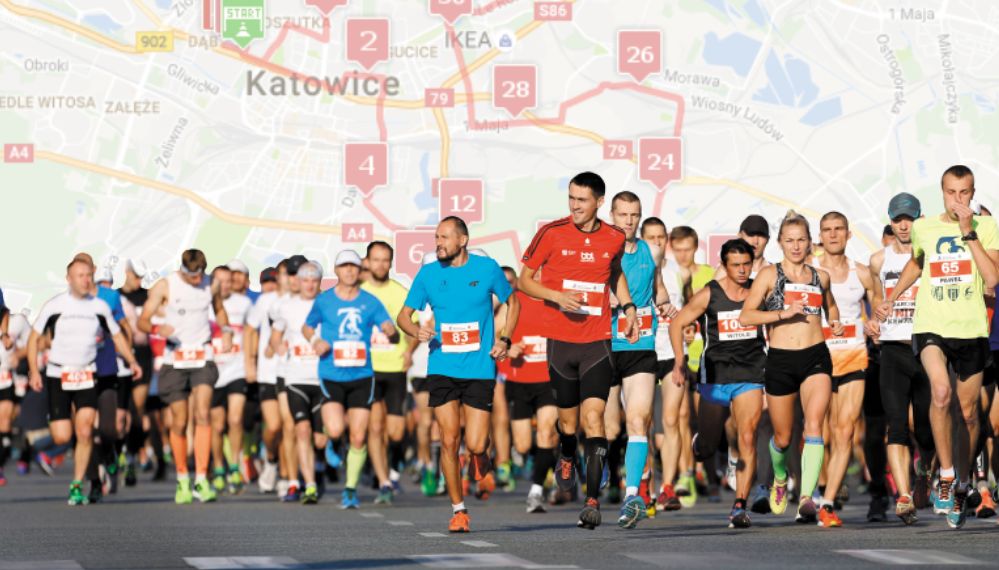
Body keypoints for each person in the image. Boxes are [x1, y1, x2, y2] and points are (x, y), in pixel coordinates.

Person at [875, 165, 999, 529]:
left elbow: (992, 279)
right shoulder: (925, 228)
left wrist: (968, 232)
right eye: (951, 193)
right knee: (940, 394)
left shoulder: (987, 227)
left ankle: (962, 482)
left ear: (973, 193)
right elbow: (917, 263)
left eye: (964, 193)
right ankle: (945, 475)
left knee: (969, 413)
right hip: (931, 326)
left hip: (971, 328)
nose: (957, 200)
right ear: (941, 192)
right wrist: (893, 297)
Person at [518, 172, 638, 530]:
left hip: (597, 341)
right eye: (571, 198)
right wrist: (557, 297)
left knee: (594, 420)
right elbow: (526, 280)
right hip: (560, 343)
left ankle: (591, 501)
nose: (574, 206)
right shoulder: (552, 232)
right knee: (568, 425)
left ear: (599, 202)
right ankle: (567, 454)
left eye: (581, 200)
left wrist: (628, 307)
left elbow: (614, 272)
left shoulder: (615, 236)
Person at [397, 216, 519, 533]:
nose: (438, 243)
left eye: (444, 237)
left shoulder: (486, 268)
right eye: (436, 237)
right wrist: (415, 331)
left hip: (479, 368)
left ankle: (482, 457)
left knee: (476, 444)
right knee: (449, 440)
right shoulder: (428, 274)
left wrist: (505, 337)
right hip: (442, 367)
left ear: (462, 240)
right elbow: (403, 316)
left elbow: (513, 301)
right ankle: (458, 510)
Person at [740, 211, 844, 526]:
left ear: (809, 242)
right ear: (781, 243)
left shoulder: (820, 276)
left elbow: (831, 304)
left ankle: (806, 498)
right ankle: (781, 476)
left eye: (801, 240)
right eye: (790, 240)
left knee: (814, 426)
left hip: (815, 356)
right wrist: (782, 315)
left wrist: (835, 321)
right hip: (781, 360)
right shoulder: (769, 275)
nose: (796, 246)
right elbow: (747, 316)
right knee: (783, 438)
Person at [27, 258, 142, 505]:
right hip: (59, 375)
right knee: (62, 435)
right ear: (69, 279)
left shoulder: (100, 306)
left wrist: (132, 361)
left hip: (90, 374)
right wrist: (34, 371)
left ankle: (78, 484)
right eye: (80, 275)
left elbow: (119, 334)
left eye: (88, 275)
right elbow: (34, 338)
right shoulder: (55, 305)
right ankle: (92, 467)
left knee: (86, 429)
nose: (85, 280)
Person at [669, 239, 766, 528]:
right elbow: (677, 324)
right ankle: (702, 444)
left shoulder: (757, 291)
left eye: (746, 264)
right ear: (724, 265)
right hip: (716, 375)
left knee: (747, 436)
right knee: (708, 447)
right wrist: (679, 361)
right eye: (735, 265)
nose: (741, 270)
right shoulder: (710, 293)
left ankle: (739, 505)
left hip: (750, 373)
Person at [304, 250, 397, 509]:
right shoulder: (324, 301)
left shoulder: (370, 301)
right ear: (336, 270)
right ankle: (333, 441)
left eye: (354, 267)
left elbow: (388, 326)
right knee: (334, 429)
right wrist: (315, 340)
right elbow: (307, 326)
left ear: (359, 270)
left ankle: (350, 489)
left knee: (358, 437)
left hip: (361, 375)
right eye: (344, 266)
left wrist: (390, 331)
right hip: (332, 374)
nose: (349, 271)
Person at [138, 249, 232, 504]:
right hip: (175, 358)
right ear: (182, 269)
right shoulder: (165, 285)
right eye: (191, 275)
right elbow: (143, 321)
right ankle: (182, 478)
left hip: (202, 355)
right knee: (179, 421)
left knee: (203, 413)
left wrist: (225, 330)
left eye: (199, 275)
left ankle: (201, 479)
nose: (196, 280)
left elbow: (220, 310)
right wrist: (158, 328)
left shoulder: (210, 283)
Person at [606, 191, 677, 529]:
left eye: (634, 215)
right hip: (606, 346)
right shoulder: (603, 250)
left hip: (642, 345)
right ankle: (597, 470)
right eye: (623, 215)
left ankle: (632, 494)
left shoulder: (652, 251)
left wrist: (667, 306)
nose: (629, 221)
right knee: (607, 427)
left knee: (639, 419)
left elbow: (657, 288)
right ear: (612, 215)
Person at [867, 192, 935, 525]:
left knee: (925, 431)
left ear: (920, 219)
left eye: (909, 218)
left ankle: (925, 474)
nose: (904, 225)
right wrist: (873, 320)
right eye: (898, 219)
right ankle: (904, 496)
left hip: (927, 348)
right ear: (891, 222)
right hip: (892, 348)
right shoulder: (879, 260)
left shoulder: (932, 254)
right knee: (895, 425)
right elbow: (875, 301)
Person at [813, 212, 877, 518]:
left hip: (852, 356)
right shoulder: (809, 272)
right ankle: (820, 485)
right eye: (827, 230)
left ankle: (827, 502)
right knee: (818, 432)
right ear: (820, 236)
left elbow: (878, 306)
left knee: (845, 430)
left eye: (839, 229)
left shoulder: (861, 273)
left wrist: (876, 321)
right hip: (817, 361)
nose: (833, 234)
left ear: (848, 234)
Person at [640, 217, 693, 513]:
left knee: (671, 420)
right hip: (643, 352)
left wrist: (687, 328)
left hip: (672, 353)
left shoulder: (679, 273)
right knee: (643, 422)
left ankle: (668, 487)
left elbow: (687, 309)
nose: (657, 243)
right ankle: (645, 482)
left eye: (661, 237)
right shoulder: (633, 268)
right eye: (651, 237)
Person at [269, 261, 327, 504]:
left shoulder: (329, 303)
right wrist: (278, 346)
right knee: (297, 429)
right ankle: (301, 483)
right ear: (299, 282)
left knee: (321, 437)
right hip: (294, 376)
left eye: (315, 280)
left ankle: (319, 467)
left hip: (324, 376)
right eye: (305, 280)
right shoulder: (286, 307)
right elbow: (275, 336)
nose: (310, 285)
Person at [360, 241, 413, 504]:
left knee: (396, 432)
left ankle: (390, 468)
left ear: (390, 263)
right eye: (375, 259)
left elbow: (412, 327)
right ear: (367, 262)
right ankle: (383, 481)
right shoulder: (359, 293)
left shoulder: (400, 292)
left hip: (395, 369)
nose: (380, 265)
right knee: (375, 427)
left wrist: (409, 351)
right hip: (367, 370)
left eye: (385, 260)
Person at [208, 265, 253, 495]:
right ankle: (218, 468)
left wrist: (250, 364)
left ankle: (234, 466)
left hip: (237, 370)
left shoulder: (243, 304)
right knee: (217, 425)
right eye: (220, 281)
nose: (224, 285)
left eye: (228, 281)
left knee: (235, 420)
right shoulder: (204, 303)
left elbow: (251, 333)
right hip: (213, 373)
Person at [245, 264, 284, 493]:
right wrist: (250, 364)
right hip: (268, 372)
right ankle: (270, 459)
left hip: (293, 371)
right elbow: (250, 330)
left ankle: (289, 478)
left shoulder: (300, 300)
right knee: (274, 425)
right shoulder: (265, 301)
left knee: (290, 428)